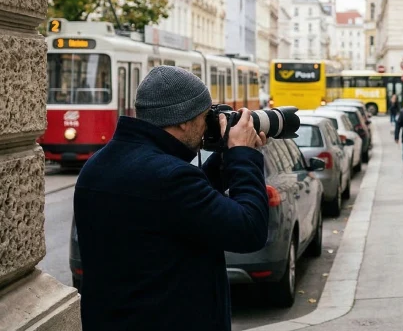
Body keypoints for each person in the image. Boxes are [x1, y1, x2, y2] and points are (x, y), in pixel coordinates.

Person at [74, 66, 269, 331]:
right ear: (182, 120)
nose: (205, 130)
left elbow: (176, 211)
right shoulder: (169, 178)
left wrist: (225, 158)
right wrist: (244, 155)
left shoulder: (98, 166)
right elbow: (250, 229)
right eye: (204, 118)